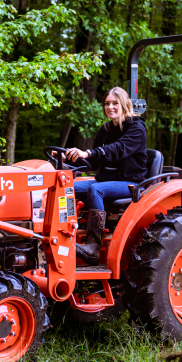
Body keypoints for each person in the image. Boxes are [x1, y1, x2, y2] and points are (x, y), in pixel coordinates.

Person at [64, 86, 148, 265]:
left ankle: (93, 247)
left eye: (114, 103)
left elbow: (117, 150)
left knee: (96, 189)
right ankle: (63, 234)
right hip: (107, 180)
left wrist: (88, 152)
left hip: (130, 182)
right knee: (65, 188)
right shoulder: (105, 130)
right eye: (107, 103)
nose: (110, 107)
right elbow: (92, 163)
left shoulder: (136, 128)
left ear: (124, 104)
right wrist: (67, 157)